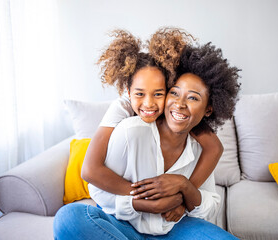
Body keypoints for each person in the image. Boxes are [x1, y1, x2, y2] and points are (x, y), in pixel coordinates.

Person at [53, 42, 241, 239]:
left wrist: (184, 188)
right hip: (122, 225)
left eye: (193, 98)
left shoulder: (200, 146)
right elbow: (95, 183)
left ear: (208, 109)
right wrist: (145, 202)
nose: (180, 104)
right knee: (69, 218)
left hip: (173, 227)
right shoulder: (128, 128)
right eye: (175, 93)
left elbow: (209, 204)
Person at [81, 29, 224, 223]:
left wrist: (183, 194)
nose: (148, 104)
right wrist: (148, 200)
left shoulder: (180, 116)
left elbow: (214, 147)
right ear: (128, 91)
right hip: (116, 203)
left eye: (159, 94)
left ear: (168, 88)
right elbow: (90, 170)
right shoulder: (123, 111)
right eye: (140, 94)